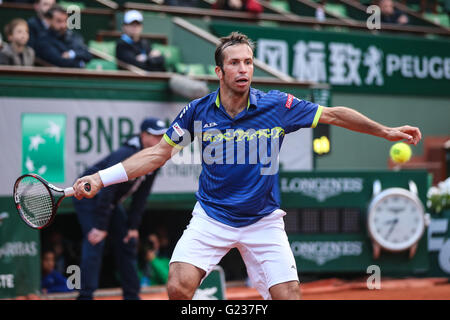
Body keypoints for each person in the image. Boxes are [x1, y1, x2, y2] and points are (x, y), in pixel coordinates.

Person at [72, 32, 422, 300]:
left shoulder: (277, 105)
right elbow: (156, 154)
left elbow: (333, 114)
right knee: (178, 287)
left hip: (263, 221)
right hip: (211, 218)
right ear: (219, 71)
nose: (243, 69)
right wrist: (101, 179)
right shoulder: (197, 111)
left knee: (289, 296)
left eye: (248, 62)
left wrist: (385, 131)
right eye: (235, 63)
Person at [72, 117, 168, 300]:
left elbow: (142, 195)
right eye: (155, 136)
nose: (159, 140)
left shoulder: (156, 157)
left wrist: (132, 227)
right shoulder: (126, 152)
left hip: (111, 203)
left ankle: (132, 296)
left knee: (127, 241)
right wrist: (100, 227)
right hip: (90, 198)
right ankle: (85, 297)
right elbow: (107, 188)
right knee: (95, 241)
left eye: (162, 136)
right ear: (143, 135)